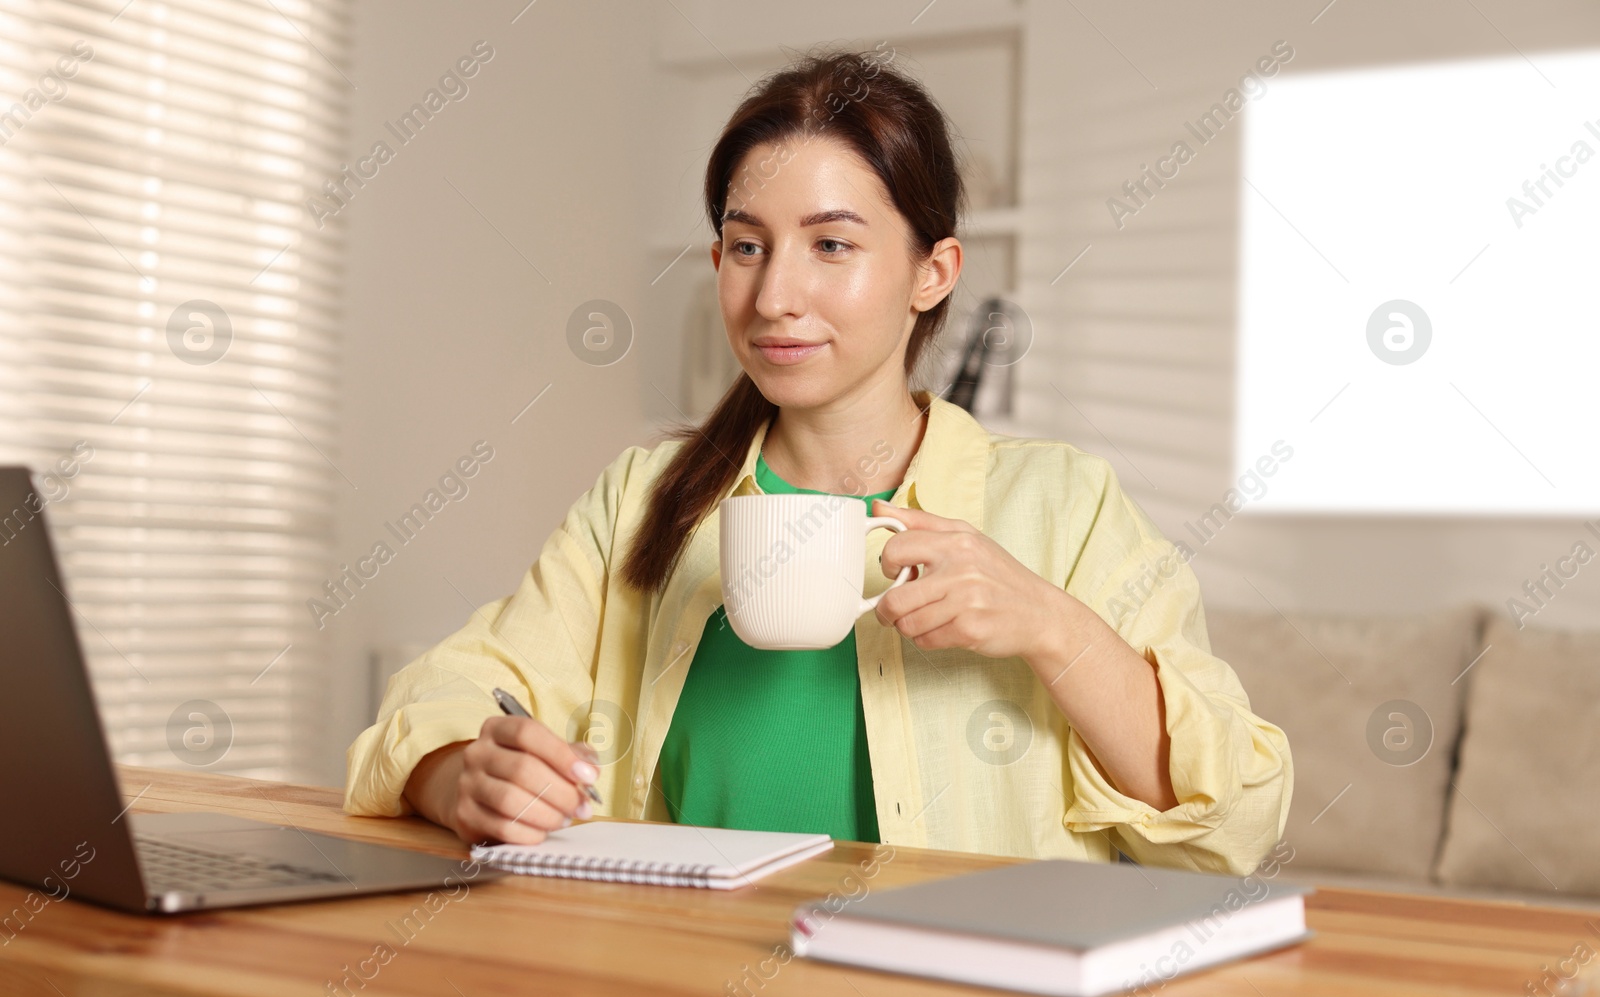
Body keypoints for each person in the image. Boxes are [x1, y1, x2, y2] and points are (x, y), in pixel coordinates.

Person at [344, 47, 1292, 876]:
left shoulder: (1061, 505)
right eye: (746, 246)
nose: (775, 296)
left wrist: (1051, 625)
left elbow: (1238, 819)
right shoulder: (642, 500)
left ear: (935, 272)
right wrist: (461, 773)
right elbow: (446, 695)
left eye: (831, 244)